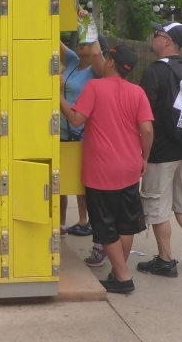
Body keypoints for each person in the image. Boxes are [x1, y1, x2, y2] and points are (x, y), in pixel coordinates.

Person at [60, 44, 154, 294]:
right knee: (126, 223)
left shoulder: (95, 87)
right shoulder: (137, 92)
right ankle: (117, 271)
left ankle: (123, 277)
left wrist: (55, 95)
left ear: (110, 62)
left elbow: (76, 119)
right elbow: (146, 129)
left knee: (105, 225)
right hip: (130, 167)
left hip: (102, 169)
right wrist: (144, 157)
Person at [137, 22, 182, 278]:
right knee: (181, 198)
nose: (153, 37)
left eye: (157, 34)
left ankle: (165, 260)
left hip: (159, 151)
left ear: (167, 41)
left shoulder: (155, 72)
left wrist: (142, 153)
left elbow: (144, 117)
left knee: (157, 205)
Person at [58, 14, 105, 245]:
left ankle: (85, 221)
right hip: (61, 131)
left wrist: (88, 22)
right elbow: (52, 42)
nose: (80, 46)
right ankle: (61, 224)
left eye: (85, 43)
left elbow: (96, 54)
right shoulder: (75, 61)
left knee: (81, 181)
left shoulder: (97, 71)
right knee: (61, 179)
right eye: (79, 43)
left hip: (81, 133)